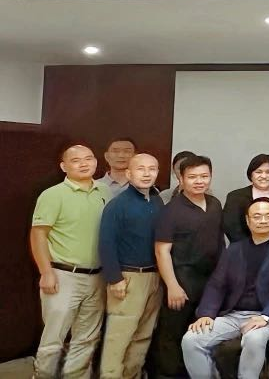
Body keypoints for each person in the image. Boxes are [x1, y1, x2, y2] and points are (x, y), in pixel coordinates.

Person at [181, 199, 269, 379]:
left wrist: (265, 317)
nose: (263, 221)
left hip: (267, 317)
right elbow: (217, 284)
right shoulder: (235, 249)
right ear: (247, 220)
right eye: (257, 216)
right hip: (232, 315)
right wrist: (206, 314)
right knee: (191, 340)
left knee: (254, 339)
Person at [30, 144, 108, 379]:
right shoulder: (53, 195)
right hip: (63, 276)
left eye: (88, 158)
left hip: (98, 276)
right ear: (64, 166)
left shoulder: (105, 191)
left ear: (96, 162)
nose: (84, 164)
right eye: (76, 160)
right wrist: (46, 272)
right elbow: (38, 235)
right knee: (54, 337)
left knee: (87, 338)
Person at [152, 155, 224, 378]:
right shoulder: (171, 210)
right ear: (181, 179)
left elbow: (219, 243)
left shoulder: (215, 204)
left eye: (204, 176)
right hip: (181, 280)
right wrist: (172, 286)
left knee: (200, 334)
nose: (199, 181)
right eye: (192, 177)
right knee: (172, 336)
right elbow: (161, 250)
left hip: (210, 282)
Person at [98, 153, 165, 379]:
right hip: (127, 278)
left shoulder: (157, 201)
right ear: (128, 173)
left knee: (143, 336)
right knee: (119, 337)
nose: (146, 174)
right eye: (140, 169)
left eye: (152, 169)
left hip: (154, 276)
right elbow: (106, 243)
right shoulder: (118, 205)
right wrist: (114, 279)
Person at [223, 153, 269, 243]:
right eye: (258, 172)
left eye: (268, 172)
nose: (264, 176)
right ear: (251, 174)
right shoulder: (235, 197)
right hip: (243, 248)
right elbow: (231, 227)